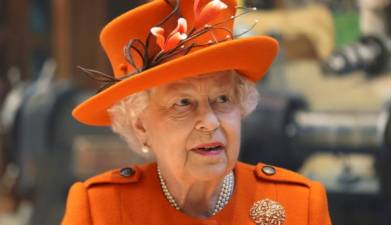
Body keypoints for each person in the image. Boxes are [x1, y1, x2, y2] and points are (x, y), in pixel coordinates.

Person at [61, 0, 332, 224]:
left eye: (223, 98)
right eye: (183, 103)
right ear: (140, 126)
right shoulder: (98, 210)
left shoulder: (300, 206)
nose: (210, 122)